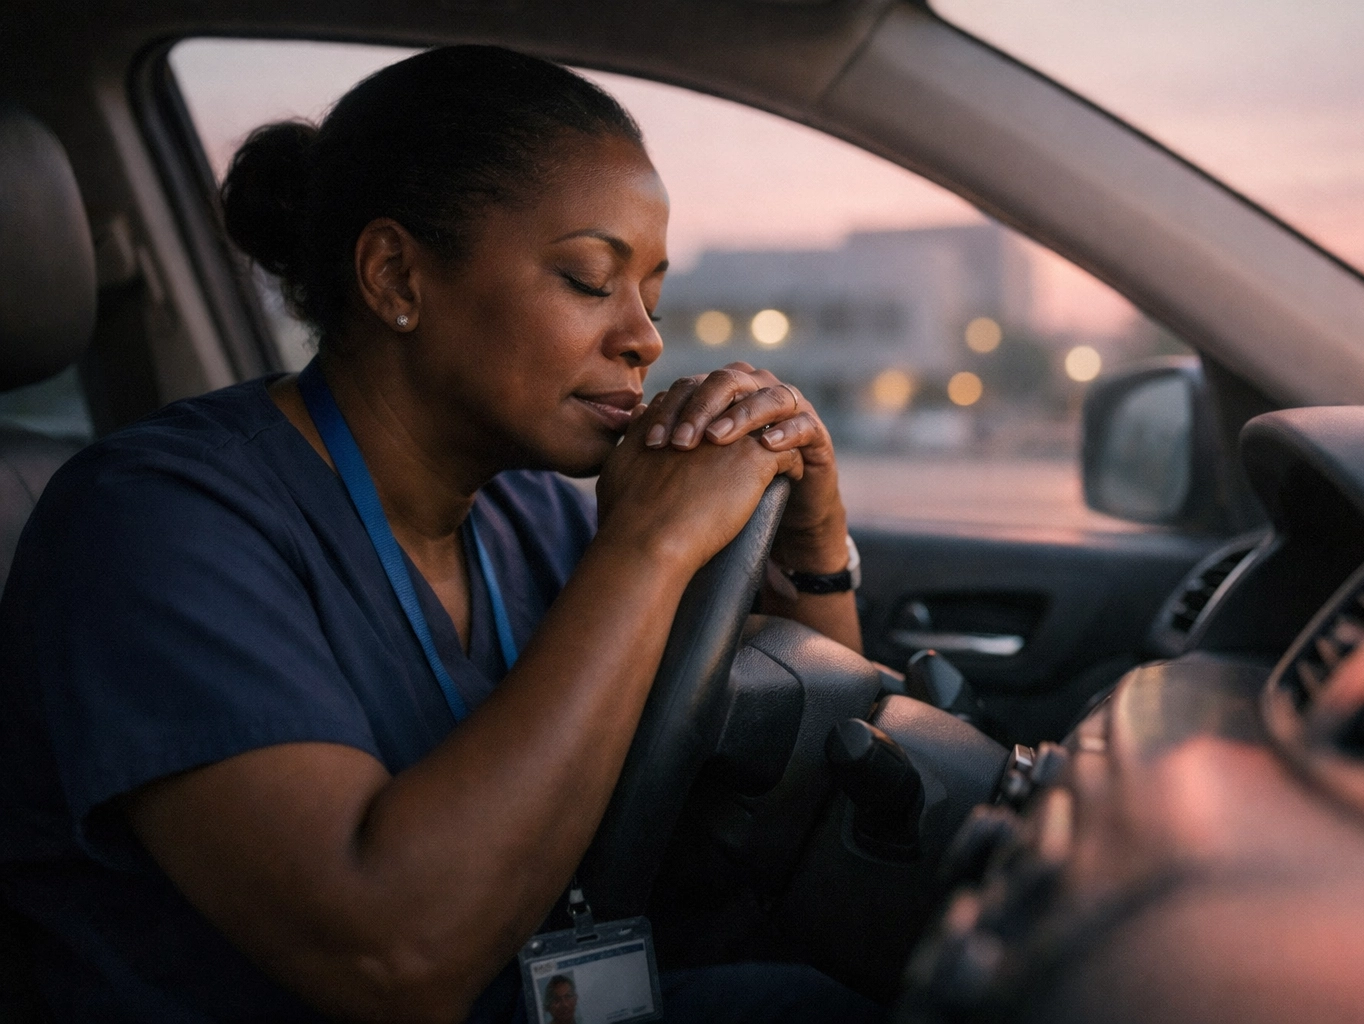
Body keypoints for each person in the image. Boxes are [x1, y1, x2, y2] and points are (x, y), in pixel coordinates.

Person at [0, 46, 879, 1023]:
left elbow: (794, 780)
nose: (646, 338)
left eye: (653, 297)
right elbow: (393, 954)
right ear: (396, 277)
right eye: (592, 280)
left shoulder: (526, 515)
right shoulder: (153, 525)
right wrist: (648, 547)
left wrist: (813, 542)